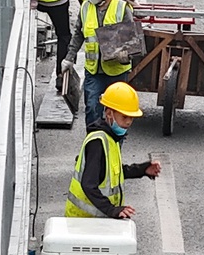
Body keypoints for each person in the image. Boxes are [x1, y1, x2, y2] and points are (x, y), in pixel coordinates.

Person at [65, 81, 161, 220]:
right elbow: (89, 184)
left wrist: (142, 169)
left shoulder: (110, 138)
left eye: (131, 118)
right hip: (83, 222)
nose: (128, 122)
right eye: (124, 117)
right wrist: (112, 210)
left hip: (96, 222)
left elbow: (112, 173)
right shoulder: (98, 142)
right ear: (109, 113)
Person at [74, 0, 135, 127]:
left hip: (116, 72)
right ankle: (94, 147)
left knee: (117, 115)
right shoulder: (85, 7)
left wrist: (125, 54)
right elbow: (78, 33)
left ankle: (114, 147)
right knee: (92, 109)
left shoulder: (121, 7)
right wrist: (68, 58)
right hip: (94, 70)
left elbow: (132, 39)